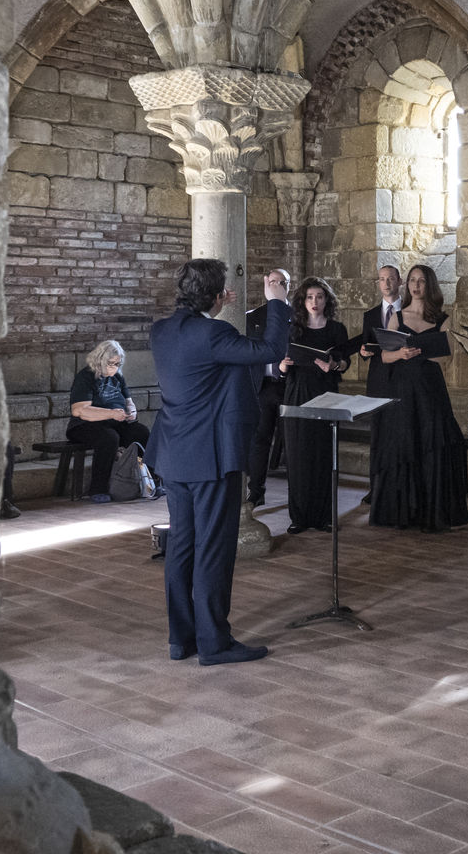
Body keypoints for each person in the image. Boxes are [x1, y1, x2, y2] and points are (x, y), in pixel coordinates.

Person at [147, 262, 290, 665]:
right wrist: (277, 303)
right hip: (211, 456)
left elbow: (204, 351)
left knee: (182, 546)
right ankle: (214, 643)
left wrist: (213, 308)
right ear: (215, 296)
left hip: (174, 454)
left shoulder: (161, 331)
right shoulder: (215, 334)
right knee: (214, 548)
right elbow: (271, 351)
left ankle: (182, 638)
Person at [368, 264, 468, 531]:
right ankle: (403, 512)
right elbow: (384, 355)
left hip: (429, 390)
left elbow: (444, 356)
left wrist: (419, 351)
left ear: (429, 285)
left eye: (421, 281)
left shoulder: (442, 319)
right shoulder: (397, 317)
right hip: (402, 388)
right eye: (412, 280)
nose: (416, 285)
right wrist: (400, 354)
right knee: (404, 442)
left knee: (430, 443)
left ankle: (430, 512)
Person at [279, 277, 350, 534]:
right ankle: (299, 517)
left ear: (326, 300)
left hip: (326, 392)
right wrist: (283, 366)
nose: (314, 302)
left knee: (323, 454)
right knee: (298, 456)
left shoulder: (336, 330)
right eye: (309, 297)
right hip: (297, 393)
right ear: (302, 301)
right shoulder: (293, 329)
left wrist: (334, 364)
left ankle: (324, 516)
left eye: (319, 297)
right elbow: (281, 367)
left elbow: (345, 363)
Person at [65, 339, 150, 503]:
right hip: (85, 425)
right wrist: (110, 413)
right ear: (100, 361)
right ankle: (98, 488)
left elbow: (128, 401)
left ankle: (147, 481)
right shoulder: (86, 377)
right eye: (110, 363)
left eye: (117, 363)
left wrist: (131, 411)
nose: (114, 367)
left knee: (141, 432)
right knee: (109, 438)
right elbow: (79, 410)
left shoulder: (118, 377)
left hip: (115, 421)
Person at [245, 267, 293, 509]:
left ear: (288, 287)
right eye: (271, 282)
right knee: (260, 440)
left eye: (280, 282)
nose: (275, 286)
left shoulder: (297, 315)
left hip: (290, 386)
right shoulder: (252, 316)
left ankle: (297, 492)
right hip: (263, 386)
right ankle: (256, 491)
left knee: (293, 440)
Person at [356, 264, 403, 399]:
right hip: (379, 377)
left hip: (404, 374)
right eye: (382, 279)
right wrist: (363, 352)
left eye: (391, 279)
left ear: (399, 281)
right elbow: (365, 345)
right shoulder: (370, 315)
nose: (386, 283)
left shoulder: (409, 311)